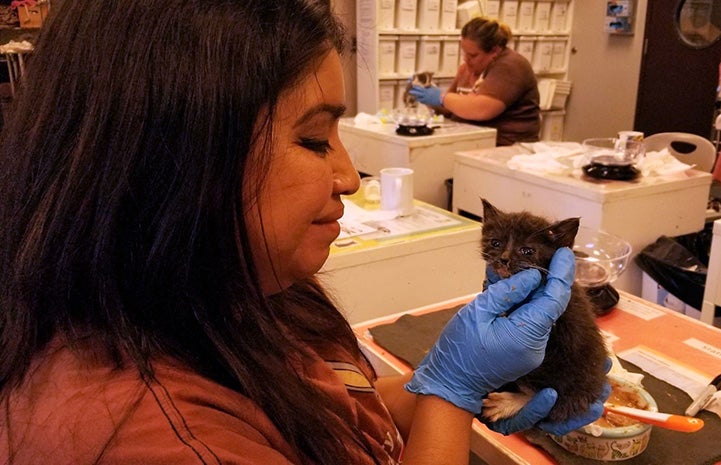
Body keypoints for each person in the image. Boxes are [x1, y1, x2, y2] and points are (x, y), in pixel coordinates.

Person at [0, 1, 607, 464]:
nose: (348, 176)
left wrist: (465, 376)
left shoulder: (243, 288)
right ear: (175, 159)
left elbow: (348, 412)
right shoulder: (156, 436)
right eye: (315, 140)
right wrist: (454, 389)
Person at [409, 17, 541, 146]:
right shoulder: (467, 69)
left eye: (473, 55)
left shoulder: (510, 65)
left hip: (506, 147)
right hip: (473, 140)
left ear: (494, 51)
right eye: (464, 53)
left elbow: (482, 110)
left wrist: (441, 97)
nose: (466, 59)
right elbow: (451, 109)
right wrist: (425, 93)